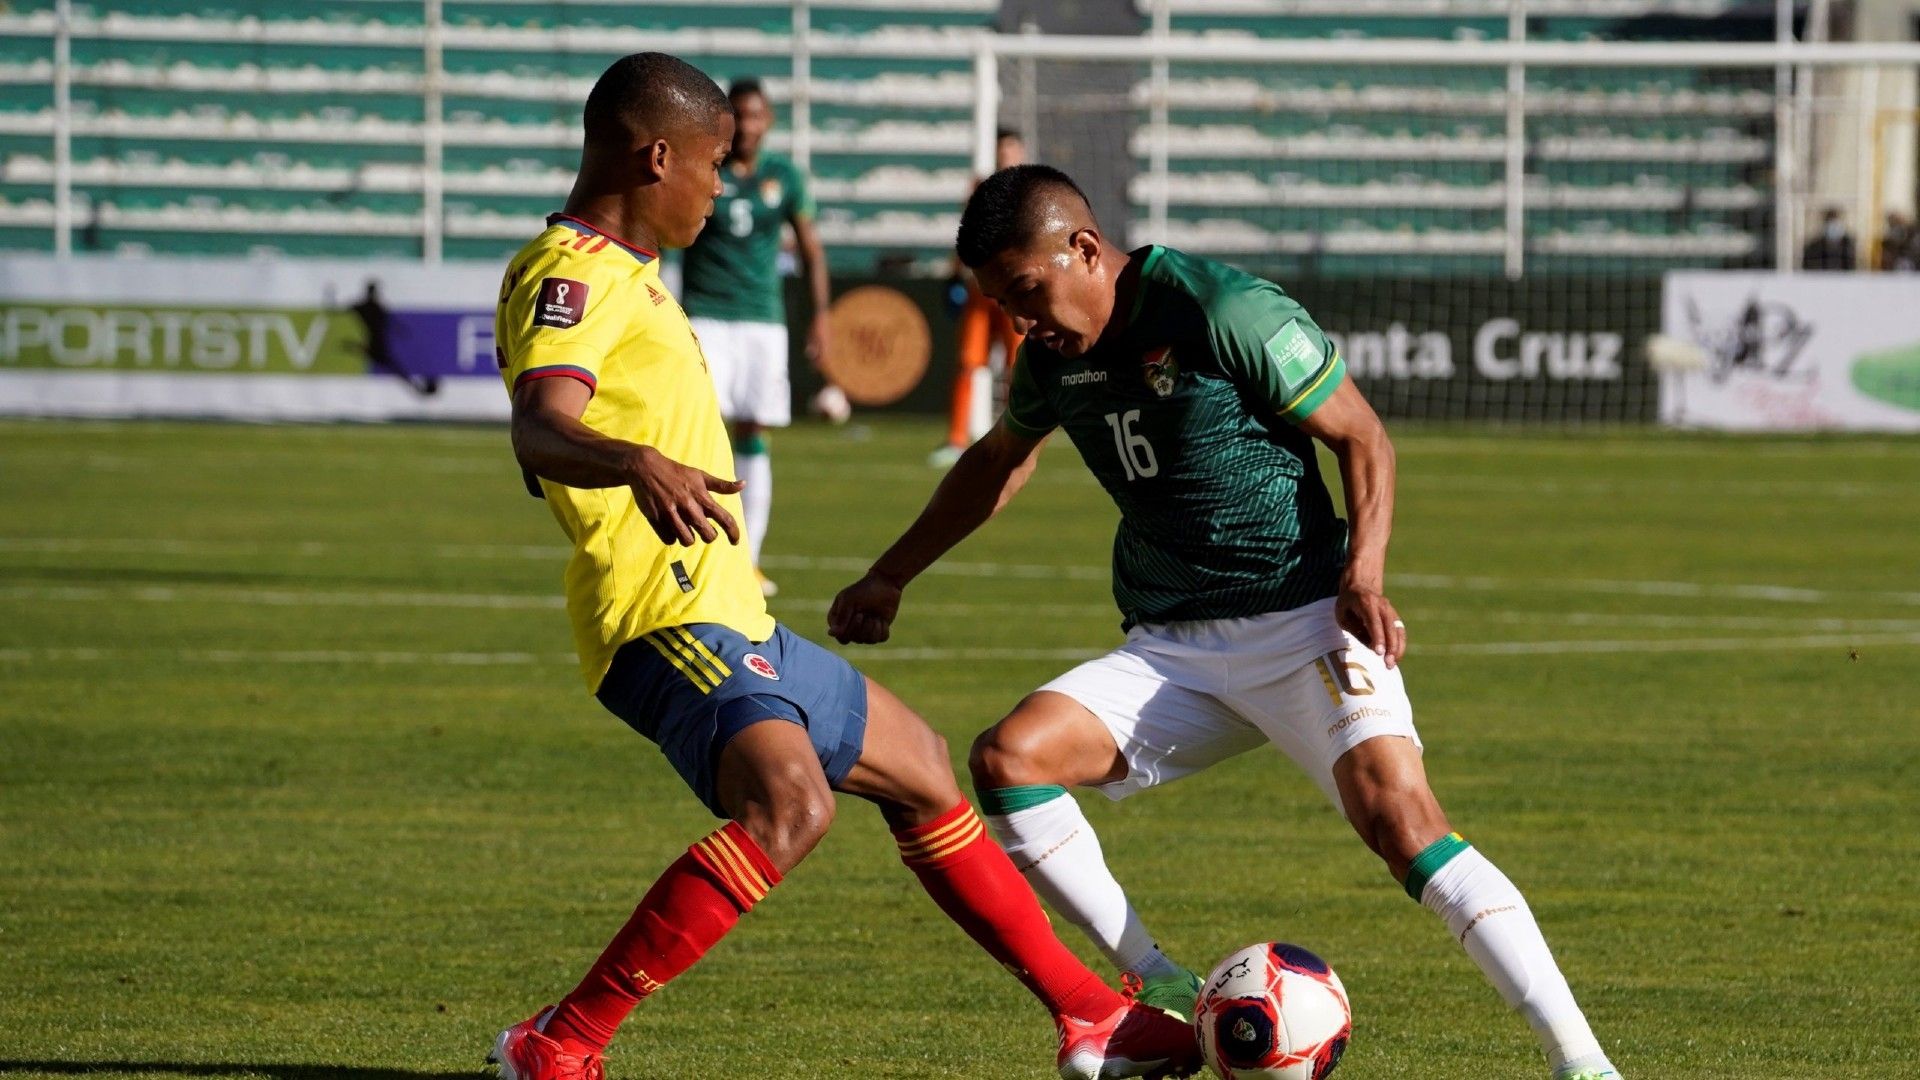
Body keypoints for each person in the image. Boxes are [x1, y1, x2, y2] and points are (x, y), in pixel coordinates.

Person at [829, 165, 1623, 1080]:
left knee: (1402, 819)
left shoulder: (1220, 309)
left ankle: (1582, 1062)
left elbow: (1362, 435)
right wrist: (891, 574)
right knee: (1009, 760)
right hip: (1172, 649)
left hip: (1305, 622)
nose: (1022, 320)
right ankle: (1159, 985)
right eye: (1005, 302)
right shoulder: (1050, 356)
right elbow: (1000, 460)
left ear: (1085, 250)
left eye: (1028, 292)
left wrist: (1363, 574)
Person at [488, 56, 1197, 1080]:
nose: (722, 188)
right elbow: (537, 431)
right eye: (713, 165)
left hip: (727, 613)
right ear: (656, 158)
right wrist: (635, 461)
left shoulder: (624, 277)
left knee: (919, 767)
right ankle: (562, 1045)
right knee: (790, 811)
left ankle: (1092, 1015)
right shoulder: (576, 275)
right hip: (664, 619)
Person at [679, 77, 829, 599]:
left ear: (769, 120)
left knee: (754, 432)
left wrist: (821, 317)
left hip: (763, 320)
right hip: (707, 315)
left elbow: (811, 249)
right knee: (701, 431)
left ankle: (750, 558)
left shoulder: (784, 176)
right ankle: (697, 554)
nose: (748, 125)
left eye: (757, 115)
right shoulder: (704, 168)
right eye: (739, 115)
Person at [930, 128, 1029, 468]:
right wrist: (954, 273)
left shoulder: (1029, 189)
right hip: (980, 289)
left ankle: (1020, 436)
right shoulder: (979, 188)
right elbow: (966, 235)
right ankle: (957, 438)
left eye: (1011, 149)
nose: (1005, 155)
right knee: (968, 362)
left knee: (1020, 366)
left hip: (1013, 291)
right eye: (1001, 149)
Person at [351, 281, 439, 396]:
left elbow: (393, 324)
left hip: (381, 346)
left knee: (400, 368)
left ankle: (420, 387)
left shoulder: (375, 308)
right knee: (399, 368)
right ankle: (420, 388)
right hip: (379, 347)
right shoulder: (370, 307)